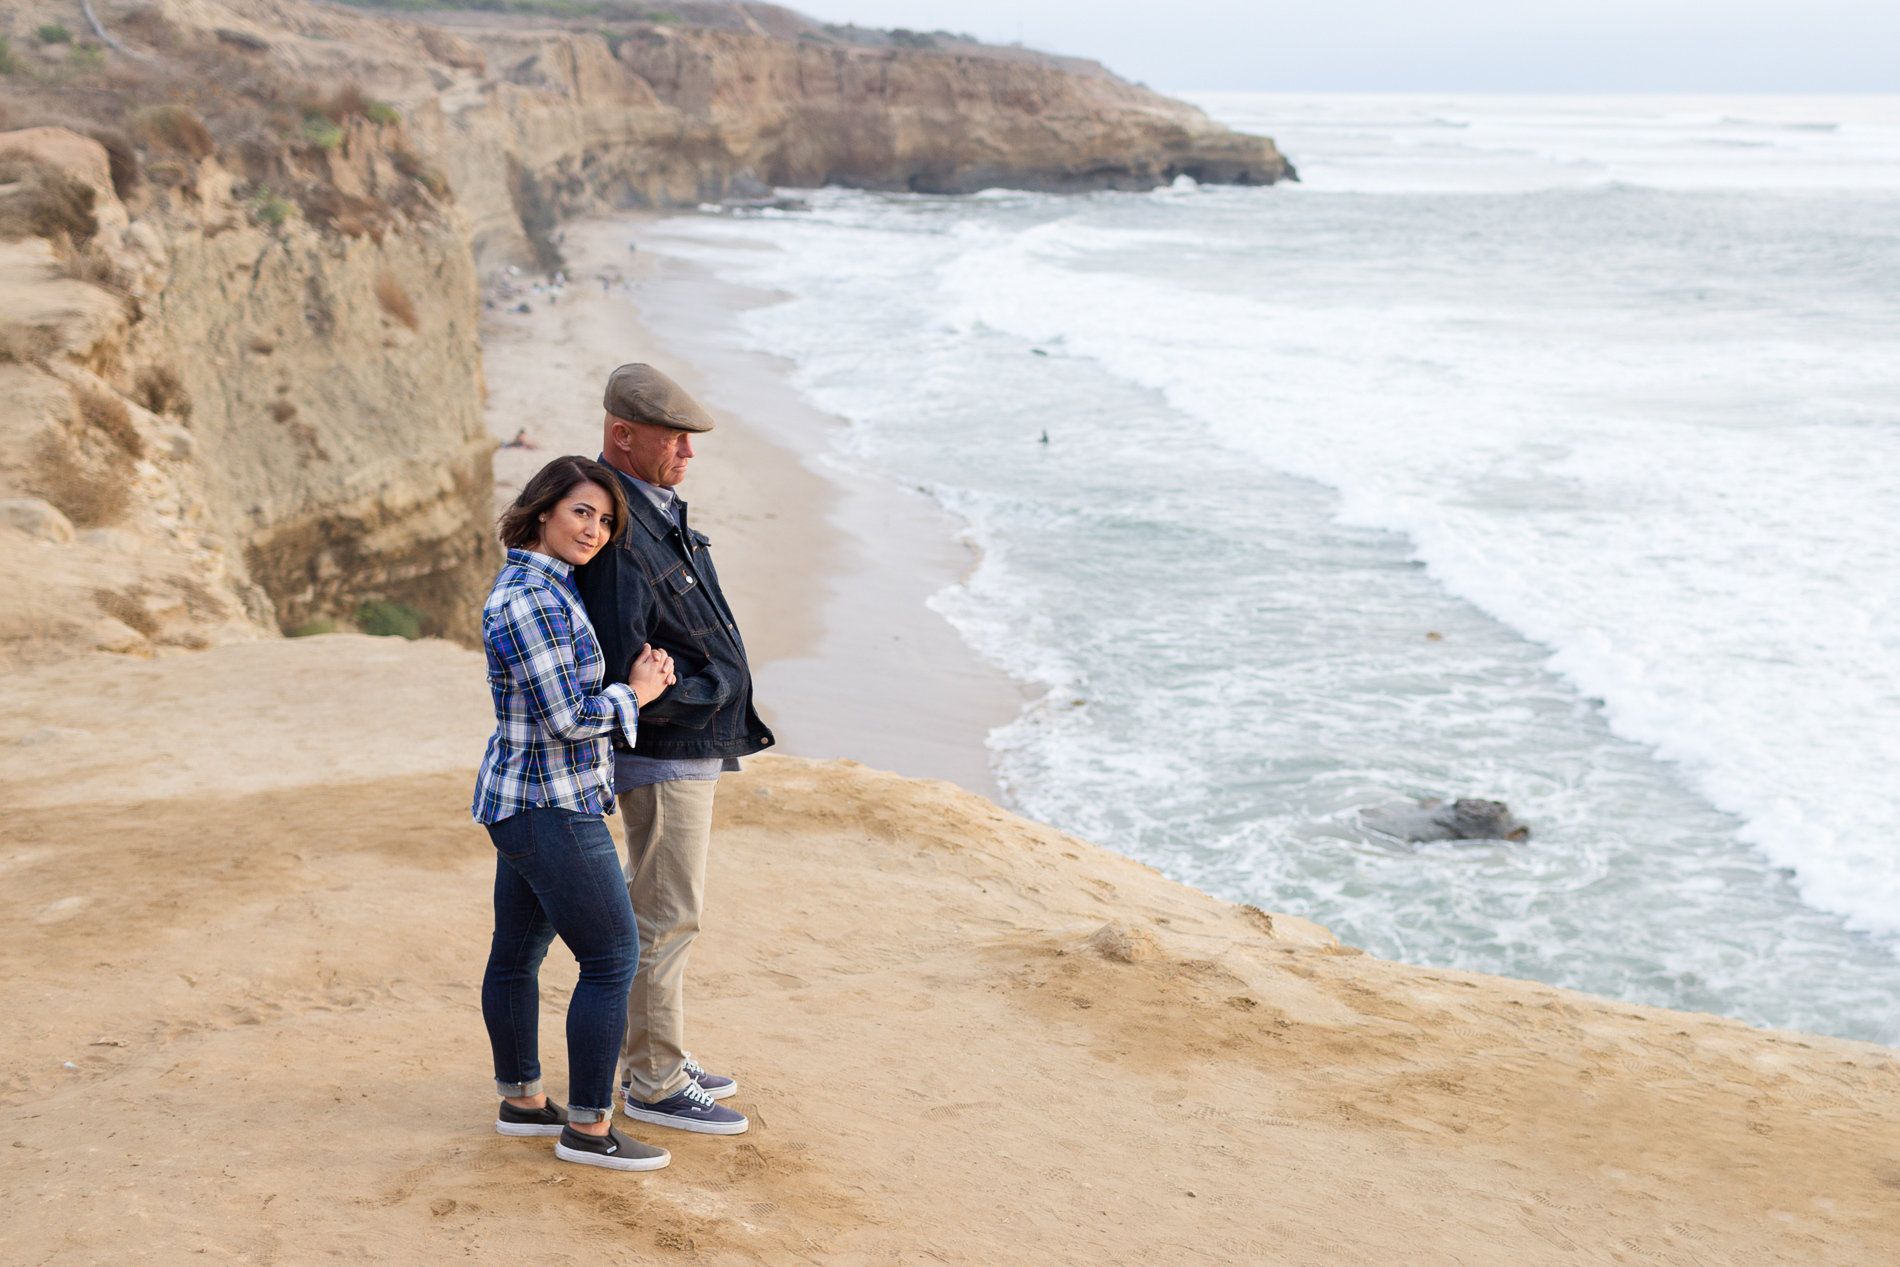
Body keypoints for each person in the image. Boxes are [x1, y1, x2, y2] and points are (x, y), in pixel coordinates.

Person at [573, 364, 775, 1136]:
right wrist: (711, 691)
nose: (689, 452)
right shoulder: (623, 531)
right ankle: (653, 1080)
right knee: (666, 913)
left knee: (660, 907)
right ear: (622, 435)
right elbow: (629, 663)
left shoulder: (647, 507)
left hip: (681, 749)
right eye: (675, 438)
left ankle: (656, 1055)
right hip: (664, 754)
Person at [472, 455, 679, 1172]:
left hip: (529, 798)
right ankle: (589, 1129)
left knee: (517, 955)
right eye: (581, 511)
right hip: (549, 804)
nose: (594, 528)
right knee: (612, 955)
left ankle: (523, 1102)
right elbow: (567, 717)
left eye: (605, 518)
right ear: (542, 510)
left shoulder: (544, 587)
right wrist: (638, 693)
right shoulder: (532, 599)